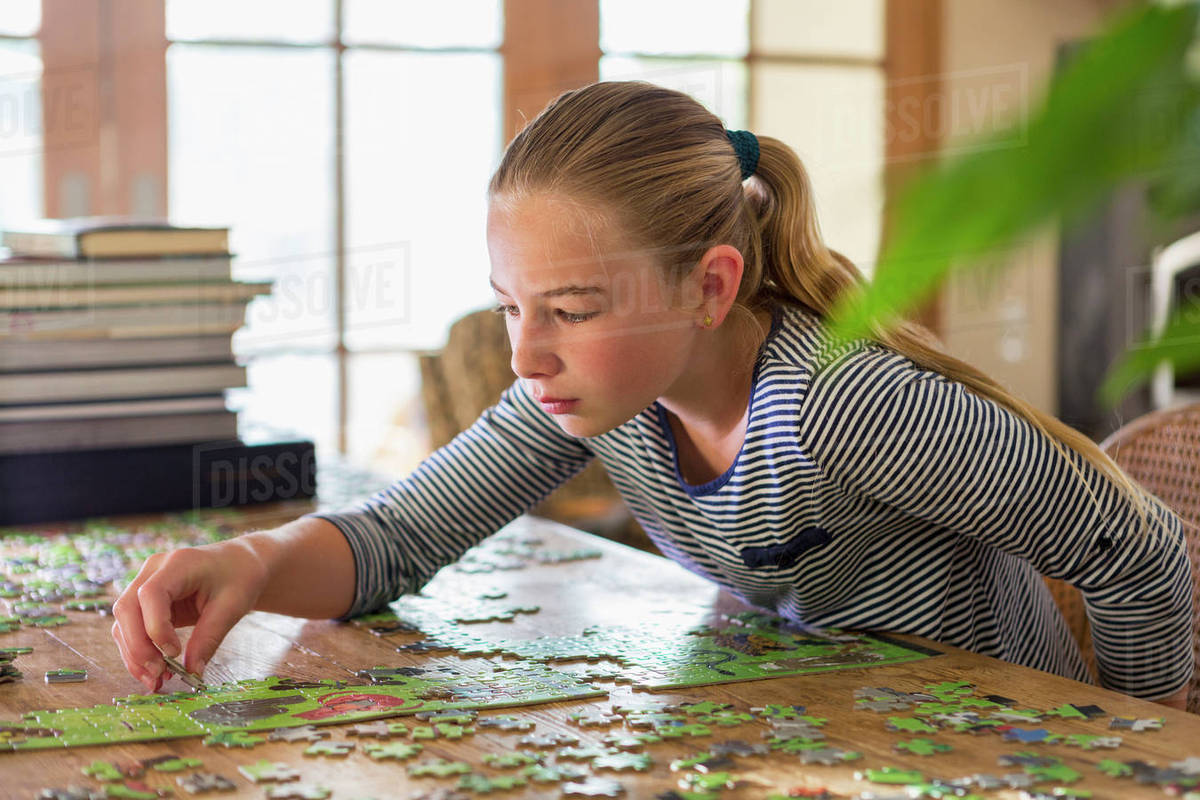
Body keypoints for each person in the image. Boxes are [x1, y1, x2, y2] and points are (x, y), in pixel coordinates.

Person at [111, 81, 1192, 710]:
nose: (527, 355)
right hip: (821, 729)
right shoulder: (594, 397)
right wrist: (249, 562)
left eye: (572, 308)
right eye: (508, 306)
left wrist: (1133, 747)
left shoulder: (847, 407)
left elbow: (1141, 551)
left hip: (1000, 751)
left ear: (709, 285)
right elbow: (396, 537)